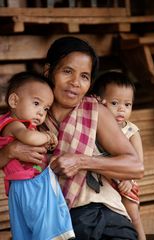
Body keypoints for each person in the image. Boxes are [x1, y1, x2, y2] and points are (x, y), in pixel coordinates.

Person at [0, 36, 144, 240]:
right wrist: (10, 151)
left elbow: (136, 167)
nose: (75, 83)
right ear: (49, 71)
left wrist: (81, 161)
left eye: (84, 76)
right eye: (67, 71)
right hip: (50, 223)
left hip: (103, 216)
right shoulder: (29, 117)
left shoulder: (95, 111)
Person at [0, 71, 75, 240]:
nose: (41, 113)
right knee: (47, 230)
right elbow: (30, 138)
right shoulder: (14, 125)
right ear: (14, 101)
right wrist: (48, 137)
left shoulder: (18, 124)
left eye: (45, 108)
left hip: (19, 187)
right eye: (36, 103)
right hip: (30, 185)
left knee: (25, 233)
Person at [92, 69, 146, 240]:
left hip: (126, 182)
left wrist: (128, 181)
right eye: (115, 103)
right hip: (102, 181)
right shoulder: (96, 127)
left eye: (127, 104)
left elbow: (138, 163)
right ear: (100, 103)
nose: (122, 109)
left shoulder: (131, 131)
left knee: (133, 215)